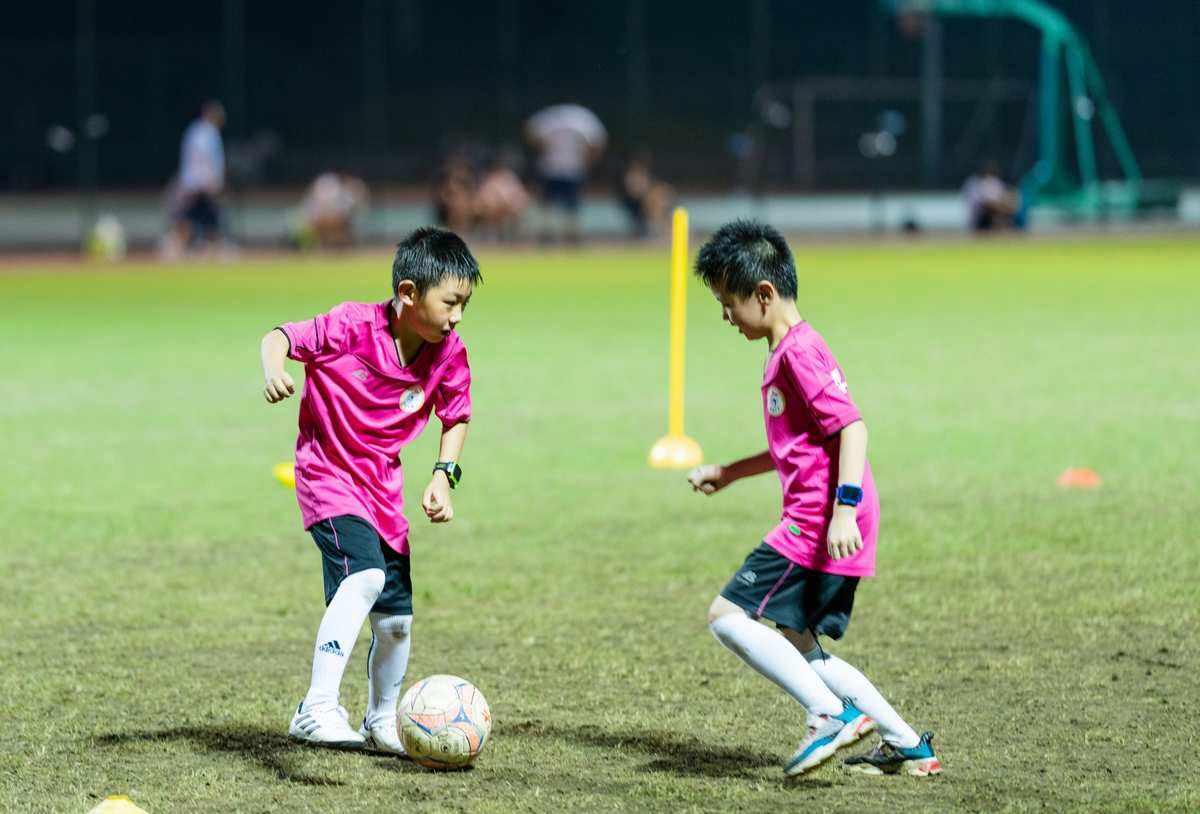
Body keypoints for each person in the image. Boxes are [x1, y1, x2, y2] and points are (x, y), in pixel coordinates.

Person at [687, 220, 942, 778]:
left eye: (728, 302)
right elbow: (797, 446)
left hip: (820, 519)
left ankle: (828, 714)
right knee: (802, 647)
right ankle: (906, 744)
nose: (725, 316)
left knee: (727, 616)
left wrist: (843, 509)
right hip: (825, 515)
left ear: (764, 294)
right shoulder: (786, 351)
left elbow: (852, 429)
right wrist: (730, 472)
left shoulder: (800, 351)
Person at [259, 227, 481, 753]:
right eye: (450, 302)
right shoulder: (350, 325)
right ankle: (315, 708)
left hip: (383, 491)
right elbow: (280, 339)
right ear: (408, 294)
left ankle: (383, 722)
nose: (456, 316)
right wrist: (273, 368)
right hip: (328, 478)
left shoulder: (447, 351)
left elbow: (457, 414)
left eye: (464, 304)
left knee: (397, 619)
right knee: (362, 578)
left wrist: (442, 477)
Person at [524, 103, 607, 243]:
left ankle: (549, 235)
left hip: (553, 167)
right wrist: (589, 160)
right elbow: (599, 141)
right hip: (572, 168)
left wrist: (541, 149)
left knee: (551, 204)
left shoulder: (550, 116)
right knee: (569, 205)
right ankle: (570, 237)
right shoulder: (583, 117)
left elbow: (530, 131)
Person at [163, 100, 228, 259]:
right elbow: (206, 160)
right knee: (204, 217)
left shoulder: (195, 131)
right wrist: (214, 183)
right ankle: (177, 247)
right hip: (201, 185)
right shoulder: (206, 132)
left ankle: (183, 248)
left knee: (198, 218)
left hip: (194, 184)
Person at [963, 161, 1021, 232]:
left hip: (997, 212)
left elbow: (1005, 198)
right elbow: (984, 203)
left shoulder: (997, 183)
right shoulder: (977, 184)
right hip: (981, 218)